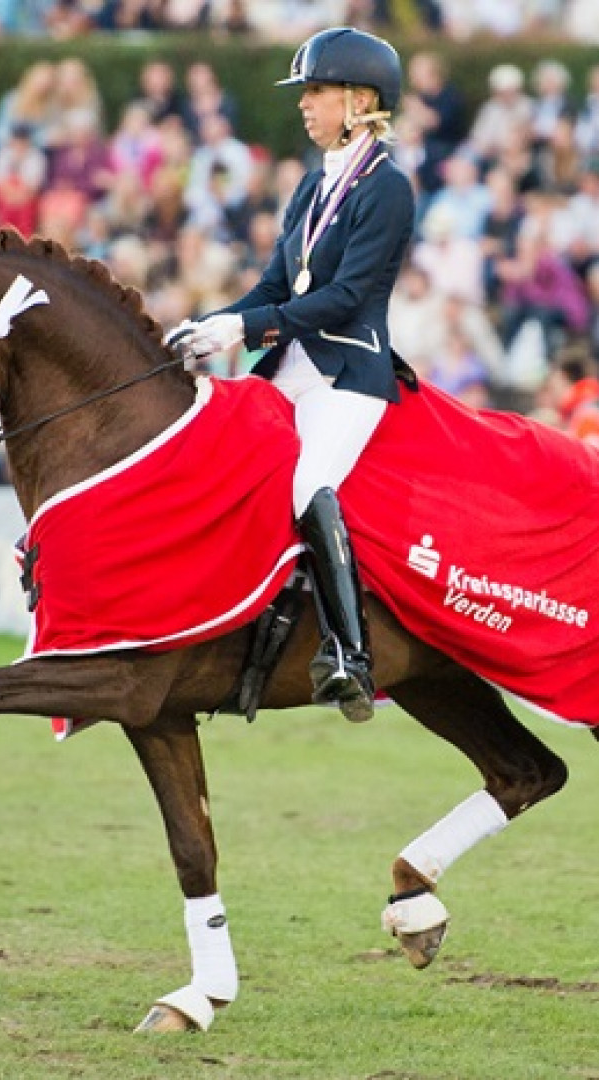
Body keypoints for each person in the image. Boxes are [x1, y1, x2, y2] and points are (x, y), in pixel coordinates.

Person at [170, 27, 412, 723]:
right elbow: (276, 285)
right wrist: (209, 324)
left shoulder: (387, 189)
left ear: (359, 101)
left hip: (348, 371)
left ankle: (349, 655)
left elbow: (345, 296)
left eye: (316, 91)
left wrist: (245, 329)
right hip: (290, 365)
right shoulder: (311, 185)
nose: (304, 104)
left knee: (309, 486)